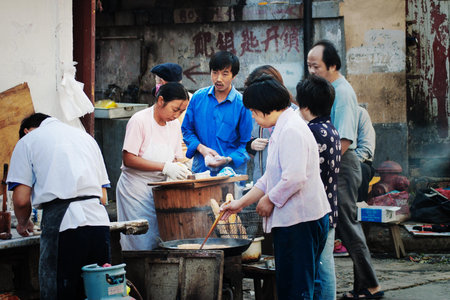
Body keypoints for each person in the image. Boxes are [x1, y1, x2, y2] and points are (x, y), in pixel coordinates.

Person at [221, 75, 331, 299]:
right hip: (295, 221)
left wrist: (269, 200)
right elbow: (269, 179)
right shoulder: (282, 128)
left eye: (253, 111)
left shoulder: (292, 129)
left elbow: (294, 178)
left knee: (297, 288)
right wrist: (239, 204)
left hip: (301, 222)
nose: (252, 116)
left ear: (265, 108)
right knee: (296, 285)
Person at [307, 39, 384, 299]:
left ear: (332, 65)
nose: (311, 71)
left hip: (342, 163)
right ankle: (362, 288)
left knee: (348, 226)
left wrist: (323, 169)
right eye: (309, 66)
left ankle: (372, 286)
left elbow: (342, 141)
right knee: (345, 226)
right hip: (337, 163)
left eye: (316, 66)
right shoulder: (331, 88)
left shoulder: (342, 92)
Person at [7, 113, 111, 300]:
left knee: (61, 292)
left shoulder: (28, 142)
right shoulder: (86, 138)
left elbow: (21, 200)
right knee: (99, 292)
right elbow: (103, 196)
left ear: (26, 131)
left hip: (64, 224)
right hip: (99, 222)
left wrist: (23, 223)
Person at [116, 82, 190, 251]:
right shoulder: (139, 121)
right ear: (161, 100)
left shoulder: (174, 124)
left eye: (182, 111)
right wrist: (164, 167)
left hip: (160, 193)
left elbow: (177, 157)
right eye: (175, 109)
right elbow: (129, 159)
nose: (177, 114)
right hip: (135, 191)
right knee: (140, 243)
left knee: (159, 242)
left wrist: (186, 167)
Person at [296, 74, 341, 300]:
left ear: (304, 105)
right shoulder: (330, 129)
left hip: (318, 211)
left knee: (321, 267)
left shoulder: (311, 132)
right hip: (330, 206)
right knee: (325, 264)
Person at [181, 50, 252, 176]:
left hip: (232, 174)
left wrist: (227, 159)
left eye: (225, 74)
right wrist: (201, 149)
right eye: (215, 73)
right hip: (202, 171)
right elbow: (187, 130)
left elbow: (245, 144)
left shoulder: (242, 104)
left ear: (234, 76)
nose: (218, 79)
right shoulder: (198, 98)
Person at [244, 65, 284, 183]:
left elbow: (294, 178)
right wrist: (251, 145)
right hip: (260, 180)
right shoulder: (254, 112)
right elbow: (243, 140)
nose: (252, 115)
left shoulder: (292, 120)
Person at [355, 105, 376, 203]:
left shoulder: (360, 113)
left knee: (362, 169)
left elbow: (366, 148)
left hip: (357, 161)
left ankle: (357, 210)